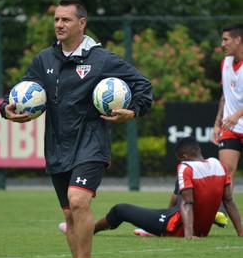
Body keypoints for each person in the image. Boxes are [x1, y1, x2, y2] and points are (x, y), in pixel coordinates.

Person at [0, 0, 153, 258]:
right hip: (57, 146)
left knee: (78, 200)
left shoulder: (102, 59)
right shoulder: (44, 60)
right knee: (70, 215)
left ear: (82, 23)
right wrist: (7, 108)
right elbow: (17, 93)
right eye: (56, 19)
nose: (59, 25)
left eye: (66, 20)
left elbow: (143, 85)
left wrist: (134, 110)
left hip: (92, 144)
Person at [60, 137, 243, 239]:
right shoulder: (218, 165)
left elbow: (187, 203)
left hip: (176, 227)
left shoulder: (185, 167)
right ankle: (154, 223)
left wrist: (188, 235)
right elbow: (228, 201)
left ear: (185, 155)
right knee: (184, 188)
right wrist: (240, 232)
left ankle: (87, 229)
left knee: (120, 209)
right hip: (201, 228)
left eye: (180, 158)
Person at [212, 23, 243, 193]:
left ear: (238, 39)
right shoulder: (225, 63)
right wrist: (217, 123)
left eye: (226, 40)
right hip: (230, 127)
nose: (223, 44)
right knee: (226, 175)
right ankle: (223, 216)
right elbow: (225, 95)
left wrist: (238, 114)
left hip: (235, 119)